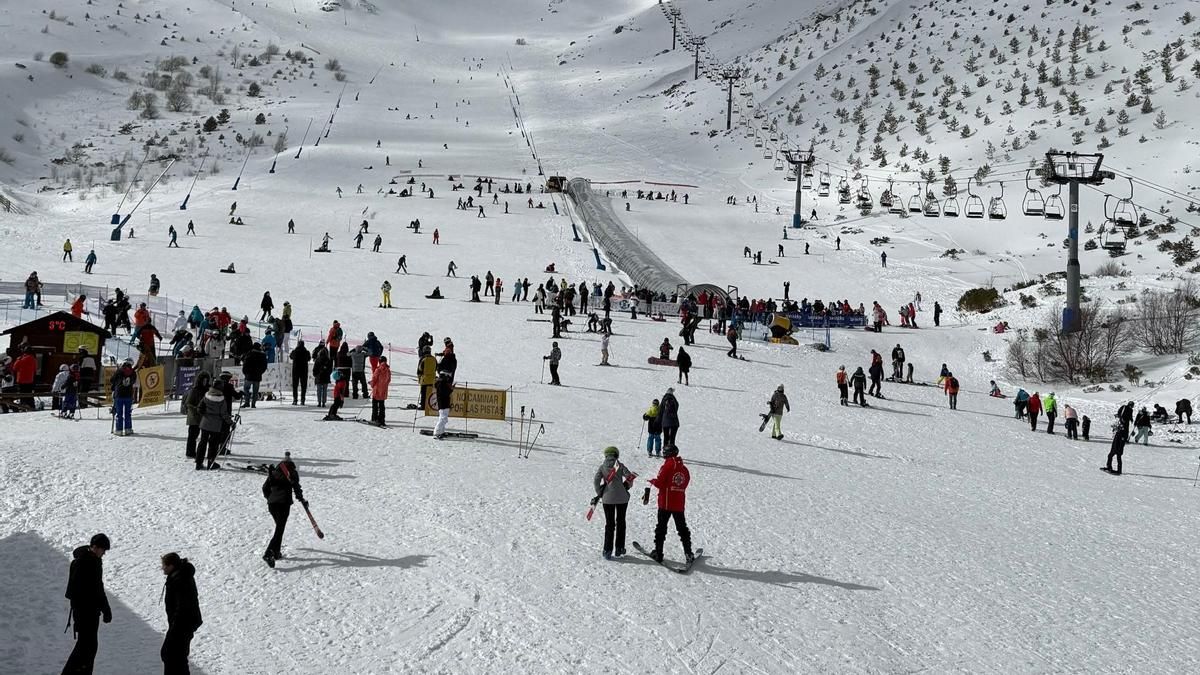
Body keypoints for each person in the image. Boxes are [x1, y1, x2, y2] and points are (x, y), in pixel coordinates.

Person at [62, 533, 112, 675]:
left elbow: (98, 587)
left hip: (90, 612)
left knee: (89, 647)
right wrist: (101, 607)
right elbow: (79, 591)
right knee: (85, 647)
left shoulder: (94, 562)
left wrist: (105, 608)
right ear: (95, 547)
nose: (104, 553)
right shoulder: (83, 563)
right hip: (85, 612)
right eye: (103, 550)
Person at [644, 444, 693, 565]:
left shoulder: (666, 466)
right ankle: (688, 553)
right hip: (679, 503)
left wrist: (653, 481)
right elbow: (685, 482)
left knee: (661, 528)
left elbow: (660, 483)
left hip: (665, 503)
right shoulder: (684, 468)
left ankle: (658, 553)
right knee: (682, 528)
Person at [160, 552, 202, 675]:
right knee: (176, 656)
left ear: (171, 566)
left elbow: (182, 606)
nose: (162, 568)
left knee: (171, 655)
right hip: (183, 624)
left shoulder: (179, 579)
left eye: (164, 565)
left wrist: (174, 626)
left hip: (181, 624)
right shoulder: (179, 576)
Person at [262, 453, 306, 567]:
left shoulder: (274, 472)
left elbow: (265, 488)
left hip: (272, 504)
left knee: (279, 528)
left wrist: (270, 498)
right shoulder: (292, 473)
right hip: (283, 504)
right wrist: (301, 499)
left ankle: (276, 553)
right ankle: (268, 553)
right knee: (279, 530)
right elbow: (296, 487)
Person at [592, 447, 635, 560]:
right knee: (621, 522)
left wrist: (600, 492)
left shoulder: (602, 467)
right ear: (616, 455)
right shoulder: (620, 465)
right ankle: (619, 548)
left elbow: (596, 480)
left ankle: (607, 550)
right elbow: (630, 477)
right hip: (622, 498)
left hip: (608, 499)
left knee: (609, 524)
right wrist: (626, 487)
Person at [196, 382, 231, 470]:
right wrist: (230, 422)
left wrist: (205, 415)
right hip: (216, 425)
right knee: (213, 444)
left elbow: (199, 408)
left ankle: (198, 463)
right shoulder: (221, 400)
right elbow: (224, 414)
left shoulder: (206, 396)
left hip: (205, 423)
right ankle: (211, 463)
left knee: (202, 443)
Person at [184, 371, 213, 460]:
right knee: (193, 436)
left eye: (206, 380)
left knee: (204, 437)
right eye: (203, 380)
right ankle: (190, 452)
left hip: (204, 416)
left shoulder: (208, 390)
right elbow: (188, 403)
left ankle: (201, 453)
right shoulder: (194, 390)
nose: (205, 382)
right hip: (194, 417)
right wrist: (197, 409)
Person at [111, 360, 137, 435]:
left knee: (119, 413)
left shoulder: (119, 371)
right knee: (128, 413)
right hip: (128, 395)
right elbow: (133, 381)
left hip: (119, 394)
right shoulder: (133, 372)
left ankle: (119, 430)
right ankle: (128, 429)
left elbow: (112, 380)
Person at [240, 343, 267, 408]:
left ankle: (247, 402)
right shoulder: (263, 356)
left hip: (249, 375)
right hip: (257, 376)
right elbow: (264, 366)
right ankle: (253, 404)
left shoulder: (249, 354)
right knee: (255, 391)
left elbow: (245, 364)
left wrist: (245, 372)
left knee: (246, 389)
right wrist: (260, 372)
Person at [370, 356, 391, 426]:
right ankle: (382, 420)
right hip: (383, 390)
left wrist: (372, 384)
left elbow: (374, 379)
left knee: (375, 406)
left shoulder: (378, 370)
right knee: (382, 406)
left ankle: (374, 419)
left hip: (377, 390)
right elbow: (389, 380)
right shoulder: (388, 370)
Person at [433, 371, 454, 438]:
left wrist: (450, 389)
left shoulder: (441, 383)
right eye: (447, 376)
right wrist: (451, 389)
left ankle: (441, 431)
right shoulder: (442, 383)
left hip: (444, 403)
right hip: (443, 403)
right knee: (443, 418)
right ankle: (437, 432)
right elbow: (445, 393)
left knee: (443, 418)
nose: (448, 378)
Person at [290, 340, 310, 405]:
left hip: (295, 371)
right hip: (304, 371)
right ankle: (302, 400)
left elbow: (291, 356)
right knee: (303, 386)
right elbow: (309, 358)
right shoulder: (306, 352)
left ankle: (295, 399)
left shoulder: (295, 351)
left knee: (295, 386)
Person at [312, 342, 332, 407]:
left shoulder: (317, 360)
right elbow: (330, 369)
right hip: (326, 377)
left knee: (319, 390)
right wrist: (328, 373)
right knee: (324, 391)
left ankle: (319, 402)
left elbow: (314, 369)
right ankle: (323, 402)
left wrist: (315, 375)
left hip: (319, 377)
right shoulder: (328, 360)